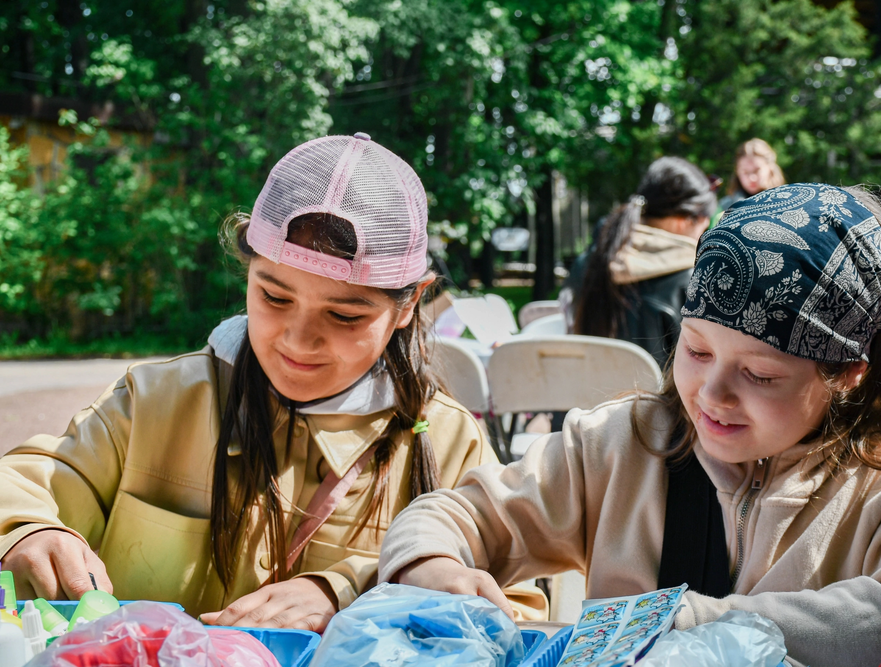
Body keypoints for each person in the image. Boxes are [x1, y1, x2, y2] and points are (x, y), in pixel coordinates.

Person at [378, 183, 881, 667]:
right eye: (697, 351)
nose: (713, 393)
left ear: (846, 373)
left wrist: (690, 625)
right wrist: (432, 565)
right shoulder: (620, 444)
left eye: (760, 374)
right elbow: (456, 514)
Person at [0, 134, 505, 632]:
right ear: (247, 273)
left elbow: (513, 614)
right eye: (274, 298)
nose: (299, 341)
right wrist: (25, 528)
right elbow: (24, 483)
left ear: (409, 304)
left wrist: (358, 593)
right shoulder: (154, 402)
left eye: (346, 315)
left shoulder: (449, 445)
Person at [565, 157, 717, 368]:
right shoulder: (694, 279)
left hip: (582, 398)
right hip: (659, 401)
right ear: (683, 220)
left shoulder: (586, 263)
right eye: (705, 223)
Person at [716, 138, 786, 212]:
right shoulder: (724, 208)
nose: (752, 178)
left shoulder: (787, 203)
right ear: (737, 171)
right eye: (745, 172)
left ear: (770, 167)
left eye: (757, 170)